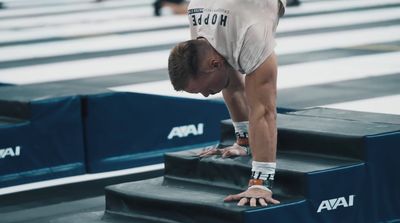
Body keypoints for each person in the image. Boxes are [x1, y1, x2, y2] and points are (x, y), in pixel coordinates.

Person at [168, 0, 286, 207]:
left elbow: (263, 112)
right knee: (228, 58)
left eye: (203, 89)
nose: (206, 95)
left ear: (214, 64)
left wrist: (260, 182)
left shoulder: (251, 35)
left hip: (245, 11)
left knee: (259, 99)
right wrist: (244, 142)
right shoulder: (198, 28)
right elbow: (228, 77)